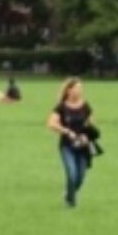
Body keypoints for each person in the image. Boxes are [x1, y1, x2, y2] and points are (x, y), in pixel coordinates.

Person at [46, 78, 99, 208]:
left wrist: (87, 136)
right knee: (71, 173)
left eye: (81, 88)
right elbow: (51, 123)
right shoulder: (61, 107)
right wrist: (66, 131)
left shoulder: (85, 105)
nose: (80, 90)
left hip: (83, 146)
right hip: (67, 146)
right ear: (69, 90)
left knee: (79, 178)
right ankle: (71, 203)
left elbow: (91, 123)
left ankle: (69, 193)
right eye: (77, 88)